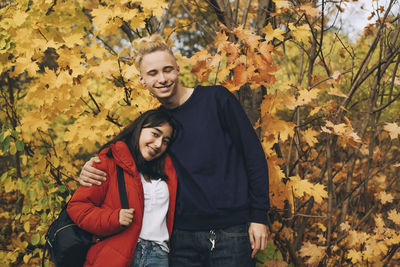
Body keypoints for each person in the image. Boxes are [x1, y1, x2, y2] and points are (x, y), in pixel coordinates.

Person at [79, 34, 270, 267]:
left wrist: (259, 216)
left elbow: (254, 156)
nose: (162, 78)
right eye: (153, 73)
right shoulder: (156, 125)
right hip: (181, 238)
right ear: (142, 81)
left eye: (167, 70)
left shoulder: (216, 100)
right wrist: (91, 167)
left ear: (178, 70)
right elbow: (118, 155)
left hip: (231, 231)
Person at [67, 109, 178, 267]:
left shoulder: (167, 171)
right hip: (116, 253)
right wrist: (113, 218)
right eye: (155, 134)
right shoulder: (109, 161)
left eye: (165, 140)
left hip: (158, 255)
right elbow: (78, 207)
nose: (159, 144)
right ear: (139, 128)